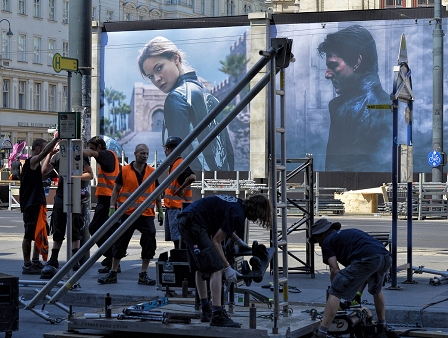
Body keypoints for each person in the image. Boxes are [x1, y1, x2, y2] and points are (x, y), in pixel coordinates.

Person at [137, 36, 235, 171]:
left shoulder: (176, 98)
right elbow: (228, 150)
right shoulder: (207, 94)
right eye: (150, 76)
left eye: (159, 68)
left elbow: (178, 158)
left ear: (175, 58)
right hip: (220, 182)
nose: (157, 79)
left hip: (193, 186)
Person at [177, 194, 271, 327]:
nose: (256, 220)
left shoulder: (237, 204)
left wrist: (237, 241)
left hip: (186, 219)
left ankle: (206, 311)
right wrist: (227, 267)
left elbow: (224, 226)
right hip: (195, 223)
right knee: (217, 267)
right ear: (257, 211)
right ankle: (218, 315)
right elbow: (216, 240)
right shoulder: (238, 214)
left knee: (200, 267)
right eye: (258, 217)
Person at [317, 25, 392, 172]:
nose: (327, 74)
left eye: (333, 65)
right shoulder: (388, 103)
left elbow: (337, 171)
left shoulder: (344, 109)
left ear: (357, 62)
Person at [309, 218, 392, 338]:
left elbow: (334, 270)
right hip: (385, 257)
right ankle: (382, 326)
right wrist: (357, 293)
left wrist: (336, 291)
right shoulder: (346, 235)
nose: (318, 243)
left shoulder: (327, 242)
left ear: (323, 233)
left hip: (368, 259)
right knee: (376, 290)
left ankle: (321, 333)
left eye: (317, 238)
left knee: (335, 290)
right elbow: (362, 275)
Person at [98, 144, 162, 286]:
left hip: (146, 213)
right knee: (120, 242)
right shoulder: (125, 170)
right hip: (127, 213)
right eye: (142, 153)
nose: (145, 156)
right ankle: (113, 272)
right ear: (135, 154)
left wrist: (160, 210)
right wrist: (112, 208)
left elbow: (157, 192)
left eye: (146, 153)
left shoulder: (152, 171)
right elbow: (116, 190)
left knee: (149, 241)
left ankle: (143, 274)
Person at [40, 144, 94, 279]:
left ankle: (75, 258)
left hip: (75, 195)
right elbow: (44, 170)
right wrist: (49, 154)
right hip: (61, 195)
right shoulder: (58, 156)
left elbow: (90, 175)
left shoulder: (79, 156)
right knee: (58, 228)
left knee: (75, 228)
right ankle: (54, 258)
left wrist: (75, 178)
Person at [20, 135, 60, 275]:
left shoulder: (35, 165)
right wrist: (56, 139)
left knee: (39, 233)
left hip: (36, 202)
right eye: (43, 148)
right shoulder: (31, 161)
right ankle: (27, 264)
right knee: (29, 234)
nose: (45, 151)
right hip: (31, 203)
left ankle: (35, 262)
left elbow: (43, 174)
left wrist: (51, 157)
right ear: (38, 148)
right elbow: (43, 154)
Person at [83, 136, 121, 273]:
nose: (90, 151)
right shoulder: (111, 157)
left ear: (100, 147)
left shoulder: (105, 155)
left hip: (107, 199)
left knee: (94, 228)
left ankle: (111, 255)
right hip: (109, 198)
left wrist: (79, 151)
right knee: (108, 230)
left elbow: (93, 154)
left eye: (92, 148)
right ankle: (113, 260)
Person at [162, 136, 196, 249]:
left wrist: (180, 190)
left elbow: (192, 177)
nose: (165, 151)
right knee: (176, 237)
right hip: (174, 207)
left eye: (166, 148)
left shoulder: (179, 164)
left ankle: (180, 256)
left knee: (178, 237)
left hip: (177, 208)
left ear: (171, 150)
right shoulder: (175, 164)